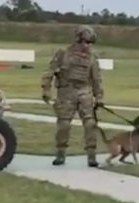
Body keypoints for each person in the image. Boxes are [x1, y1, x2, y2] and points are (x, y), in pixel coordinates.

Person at [41, 25, 105, 167]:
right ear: (78, 40)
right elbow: (49, 71)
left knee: (90, 124)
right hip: (66, 92)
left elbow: (96, 78)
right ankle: (60, 154)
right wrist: (46, 89)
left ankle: (91, 155)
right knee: (63, 124)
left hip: (84, 91)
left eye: (90, 43)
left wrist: (99, 96)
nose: (87, 46)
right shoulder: (63, 53)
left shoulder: (92, 57)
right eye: (85, 42)